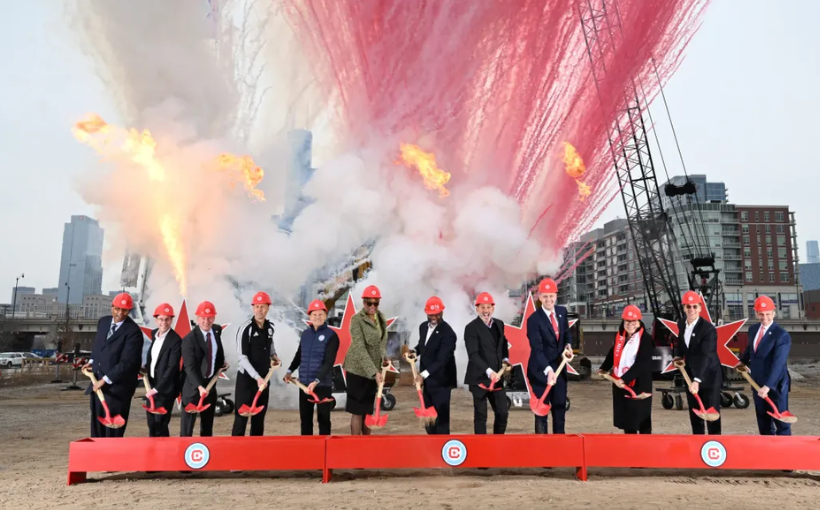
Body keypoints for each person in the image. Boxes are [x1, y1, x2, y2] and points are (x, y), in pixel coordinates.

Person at [83, 293, 144, 438]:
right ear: (112, 306)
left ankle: (112, 459)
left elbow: (127, 363)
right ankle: (98, 458)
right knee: (97, 429)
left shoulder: (133, 332)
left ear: (129, 311)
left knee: (112, 433)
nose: (120, 313)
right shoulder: (103, 322)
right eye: (117, 309)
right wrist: (91, 362)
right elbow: (99, 346)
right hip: (97, 385)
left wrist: (104, 380)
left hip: (118, 389)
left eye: (124, 310)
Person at [737, 295, 792, 436]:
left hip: (775, 386)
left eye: (768, 314)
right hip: (757, 382)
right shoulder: (754, 329)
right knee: (763, 421)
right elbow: (752, 349)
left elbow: (778, 363)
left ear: (773, 313)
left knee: (781, 422)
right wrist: (742, 360)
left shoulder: (781, 335)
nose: (764, 317)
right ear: (756, 313)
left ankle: (784, 452)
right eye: (761, 314)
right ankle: (768, 450)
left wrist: (768, 386)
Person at [284, 299, 339, 435]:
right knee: (305, 419)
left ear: (325, 316)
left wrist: (317, 381)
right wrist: (289, 371)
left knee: (324, 420)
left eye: (320, 314)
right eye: (314, 315)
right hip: (304, 385)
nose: (317, 318)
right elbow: (299, 355)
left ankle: (325, 448)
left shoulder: (332, 336)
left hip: (322, 385)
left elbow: (329, 362)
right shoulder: (305, 334)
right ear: (310, 316)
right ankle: (307, 449)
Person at [526, 278, 573, 434]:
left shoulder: (561, 312)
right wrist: (548, 370)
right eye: (545, 296)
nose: (549, 299)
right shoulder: (534, 320)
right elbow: (537, 349)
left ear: (556, 296)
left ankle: (560, 444)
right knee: (542, 410)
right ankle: (541, 446)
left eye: (551, 296)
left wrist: (568, 346)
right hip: (541, 371)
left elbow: (566, 334)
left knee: (560, 407)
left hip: (559, 369)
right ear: (539, 297)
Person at [597, 305, 653, 434]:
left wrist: (624, 379)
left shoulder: (645, 340)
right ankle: (630, 448)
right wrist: (603, 367)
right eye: (627, 321)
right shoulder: (620, 337)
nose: (630, 324)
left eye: (633, 321)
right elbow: (613, 353)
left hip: (638, 385)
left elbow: (641, 364)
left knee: (642, 421)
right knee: (628, 421)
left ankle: (646, 449)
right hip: (621, 384)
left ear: (639, 321)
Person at [231, 291, 280, 437]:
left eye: (263, 307)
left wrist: (274, 355)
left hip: (264, 379)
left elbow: (270, 344)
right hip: (247, 380)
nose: (260, 310)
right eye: (257, 307)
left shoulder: (270, 328)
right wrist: (256, 377)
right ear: (253, 308)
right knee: (241, 419)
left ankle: (256, 450)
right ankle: (236, 451)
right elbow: (242, 357)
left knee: (259, 419)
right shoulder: (246, 328)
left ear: (268, 308)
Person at [343, 285, 389, 435]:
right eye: (369, 303)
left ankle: (366, 445)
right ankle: (356, 446)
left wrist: (384, 359)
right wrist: (374, 372)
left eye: (375, 303)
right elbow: (360, 348)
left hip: (373, 371)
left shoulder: (381, 318)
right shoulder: (357, 320)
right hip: (357, 371)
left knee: (368, 410)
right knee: (358, 411)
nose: (372, 306)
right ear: (363, 303)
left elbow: (380, 343)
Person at [674, 290, 722, 435]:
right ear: (684, 308)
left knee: (711, 415)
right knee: (695, 415)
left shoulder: (708, 329)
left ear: (700, 308)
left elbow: (707, 356)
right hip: (690, 374)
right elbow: (681, 343)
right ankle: (697, 443)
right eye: (688, 306)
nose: (691, 310)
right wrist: (678, 356)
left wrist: (697, 380)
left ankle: (714, 446)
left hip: (709, 376)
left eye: (695, 306)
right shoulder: (681, 324)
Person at [464, 292, 510, 435]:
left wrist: (505, 360)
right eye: (482, 307)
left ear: (493, 309)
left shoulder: (499, 324)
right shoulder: (471, 328)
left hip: (497, 379)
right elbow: (473, 355)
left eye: (488, 307)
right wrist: (489, 372)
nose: (485, 311)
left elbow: (503, 345)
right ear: (476, 309)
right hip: (479, 378)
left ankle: (497, 442)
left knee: (502, 412)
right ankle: (481, 447)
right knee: (481, 416)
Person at [409, 296, 457, 435]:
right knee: (429, 421)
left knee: (441, 420)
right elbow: (423, 346)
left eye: (437, 314)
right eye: (431, 314)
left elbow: (442, 360)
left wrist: (422, 375)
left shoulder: (448, 333)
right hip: (428, 381)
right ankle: (431, 446)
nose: (434, 317)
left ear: (442, 312)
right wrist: (415, 352)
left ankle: (442, 449)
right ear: (427, 313)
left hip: (442, 381)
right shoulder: (423, 327)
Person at [180, 300, 228, 437]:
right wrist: (200, 387)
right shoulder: (189, 339)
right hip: (193, 388)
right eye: (203, 318)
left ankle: (206, 453)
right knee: (187, 429)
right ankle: (185, 453)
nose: (206, 321)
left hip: (210, 385)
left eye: (210, 318)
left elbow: (215, 353)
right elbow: (189, 367)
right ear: (197, 318)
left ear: (214, 318)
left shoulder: (217, 330)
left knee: (207, 427)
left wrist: (222, 363)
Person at [144, 303, 183, 437]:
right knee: (151, 424)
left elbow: (172, 368)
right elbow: (154, 359)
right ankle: (152, 453)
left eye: (167, 319)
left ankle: (164, 453)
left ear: (171, 320)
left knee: (160, 424)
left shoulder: (175, 340)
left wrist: (157, 389)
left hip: (165, 389)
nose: (164, 322)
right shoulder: (155, 334)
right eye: (161, 319)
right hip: (152, 385)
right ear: (156, 320)